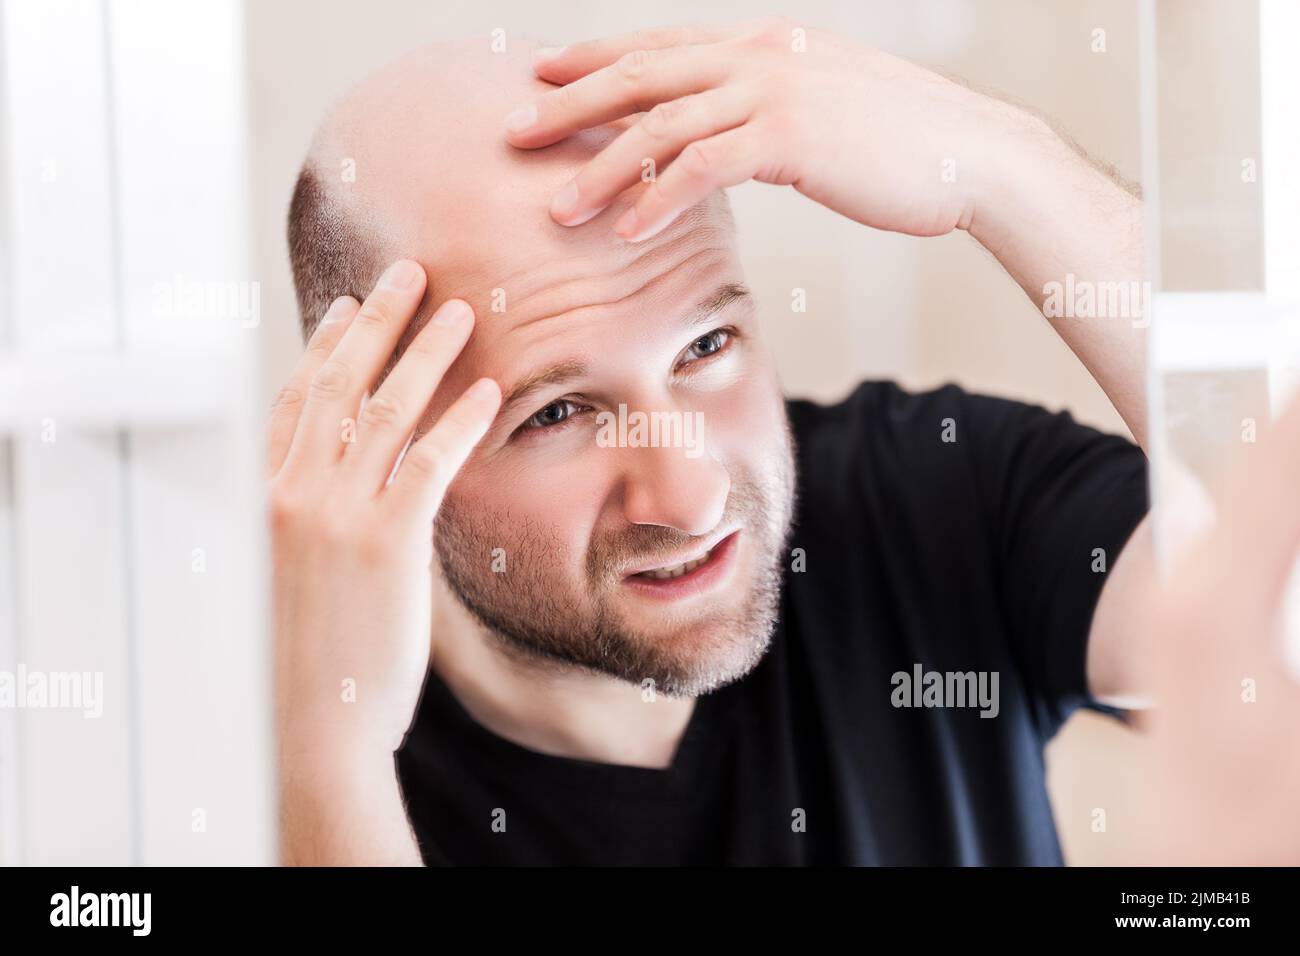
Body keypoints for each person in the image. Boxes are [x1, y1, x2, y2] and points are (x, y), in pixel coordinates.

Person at [271, 20, 1161, 865]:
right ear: (370, 439)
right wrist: (331, 758)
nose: (691, 496)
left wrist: (1006, 167)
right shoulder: (272, 761)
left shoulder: (935, 493)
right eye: (556, 413)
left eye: (706, 348)